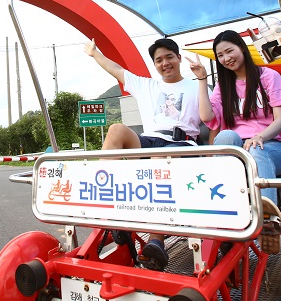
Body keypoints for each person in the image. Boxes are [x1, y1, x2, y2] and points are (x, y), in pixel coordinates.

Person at [85, 37, 203, 271]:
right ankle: (107, 212)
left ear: (179, 58)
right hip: (149, 141)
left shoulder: (196, 86)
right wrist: (94, 53)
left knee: (158, 159)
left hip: (182, 144)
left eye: (169, 57)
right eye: (159, 60)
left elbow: (213, 118)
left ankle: (156, 240)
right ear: (155, 64)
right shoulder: (147, 85)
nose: (165, 63)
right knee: (116, 130)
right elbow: (116, 69)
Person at [187, 29, 281, 254]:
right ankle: (221, 207)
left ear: (242, 48)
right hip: (241, 150)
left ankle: (268, 221)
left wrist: (260, 137)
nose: (226, 58)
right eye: (220, 55)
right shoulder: (224, 86)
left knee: (257, 151)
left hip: (275, 146)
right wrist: (202, 79)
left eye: (229, 51)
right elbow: (206, 116)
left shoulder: (268, 77)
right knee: (225, 137)